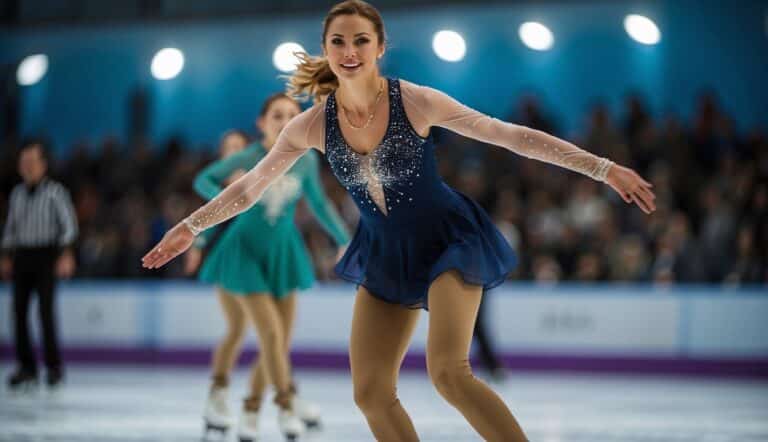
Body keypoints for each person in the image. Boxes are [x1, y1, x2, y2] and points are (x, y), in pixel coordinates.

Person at [142, 1, 656, 440]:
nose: (349, 52)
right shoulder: (309, 126)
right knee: (369, 393)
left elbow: (510, 135)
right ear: (325, 47)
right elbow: (250, 186)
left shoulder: (415, 101)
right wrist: (192, 225)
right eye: (338, 41)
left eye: (361, 41)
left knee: (448, 374)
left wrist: (603, 168)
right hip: (386, 252)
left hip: (447, 240)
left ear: (380, 47)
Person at [187, 95, 350, 441]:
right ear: (262, 123)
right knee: (270, 335)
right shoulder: (248, 157)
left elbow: (319, 204)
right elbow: (202, 180)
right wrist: (226, 189)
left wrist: (344, 239)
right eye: (277, 115)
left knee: (278, 342)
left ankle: (250, 410)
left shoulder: (305, 161)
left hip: (283, 251)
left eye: (292, 115)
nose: (285, 120)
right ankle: (286, 405)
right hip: (245, 250)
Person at [1, 142, 78, 391]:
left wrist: (66, 254)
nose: (27, 167)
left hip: (46, 255)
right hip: (23, 255)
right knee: (19, 312)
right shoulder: (17, 194)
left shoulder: (56, 192)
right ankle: (27, 367)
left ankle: (53, 367)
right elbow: (10, 228)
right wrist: (6, 255)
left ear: (43, 164)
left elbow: (68, 225)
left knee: (45, 312)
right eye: (24, 163)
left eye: (32, 162)